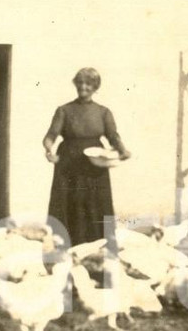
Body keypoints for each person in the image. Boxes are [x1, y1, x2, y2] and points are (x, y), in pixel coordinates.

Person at [42, 68, 132, 247]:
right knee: (70, 203)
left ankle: (98, 247)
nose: (84, 87)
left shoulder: (103, 112)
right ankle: (66, 247)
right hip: (69, 162)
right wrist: (49, 151)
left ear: (95, 87)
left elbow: (113, 136)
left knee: (95, 202)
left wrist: (123, 151)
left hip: (94, 164)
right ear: (76, 85)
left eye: (88, 84)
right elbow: (50, 136)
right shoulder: (64, 110)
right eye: (81, 83)